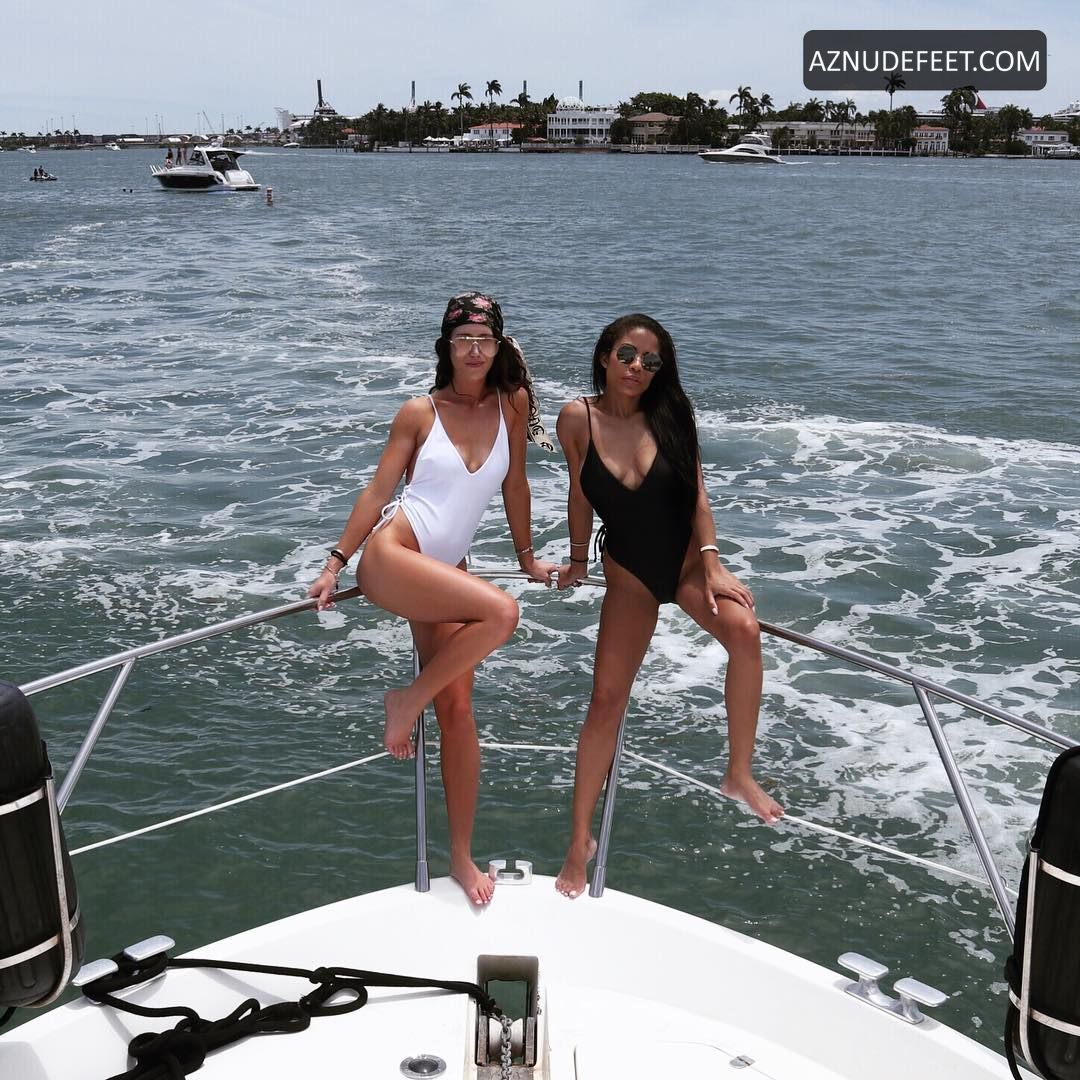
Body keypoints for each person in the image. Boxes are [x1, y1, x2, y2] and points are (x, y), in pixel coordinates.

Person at [307, 292, 556, 904]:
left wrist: (527, 558)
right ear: (446, 347)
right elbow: (377, 492)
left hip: (447, 568)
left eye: (484, 340)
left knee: (460, 712)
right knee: (501, 612)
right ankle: (405, 699)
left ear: (498, 346)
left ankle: (462, 858)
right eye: (463, 340)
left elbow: (516, 485)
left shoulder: (513, 403)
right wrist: (336, 563)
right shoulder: (419, 413)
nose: (474, 350)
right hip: (394, 557)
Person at [554, 314, 784, 899]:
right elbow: (579, 492)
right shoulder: (577, 417)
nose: (638, 368)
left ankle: (738, 772)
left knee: (745, 631)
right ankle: (578, 841)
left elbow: (697, 494)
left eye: (651, 361)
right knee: (605, 700)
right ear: (605, 356)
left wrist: (713, 562)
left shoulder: (672, 414)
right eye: (627, 355)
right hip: (630, 574)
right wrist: (577, 559)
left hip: (685, 567)